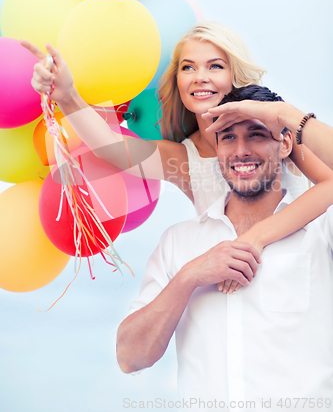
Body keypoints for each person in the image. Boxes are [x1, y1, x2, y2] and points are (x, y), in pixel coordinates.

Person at [21, 22, 333, 294]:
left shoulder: (273, 129)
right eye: (188, 67)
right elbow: (113, 148)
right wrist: (66, 94)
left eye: (215, 66)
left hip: (300, 273)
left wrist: (255, 239)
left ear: (234, 74)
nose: (200, 77)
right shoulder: (186, 158)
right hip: (235, 284)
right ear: (178, 81)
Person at [116, 85, 333, 411]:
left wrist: (285, 115)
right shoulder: (179, 242)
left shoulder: (322, 230)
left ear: (285, 143)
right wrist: (188, 277)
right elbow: (130, 357)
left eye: (257, 134)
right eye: (228, 137)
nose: (241, 150)